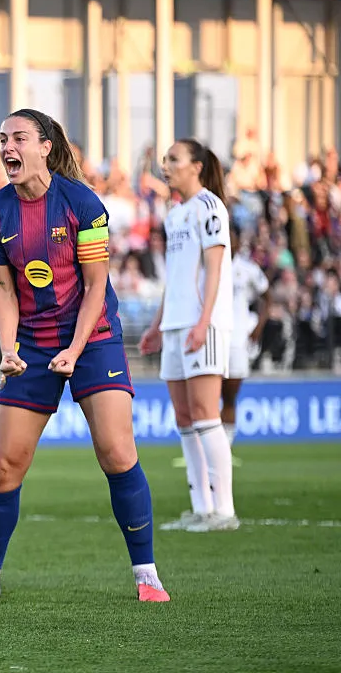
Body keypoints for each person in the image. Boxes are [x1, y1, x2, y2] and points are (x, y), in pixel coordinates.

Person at [0, 108, 170, 604]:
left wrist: (75, 349)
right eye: (3, 138)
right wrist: (8, 349)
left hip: (92, 338)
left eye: (19, 138)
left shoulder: (83, 204)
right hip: (30, 344)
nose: (7, 147)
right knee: (5, 465)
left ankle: (147, 573)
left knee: (117, 452)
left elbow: (96, 286)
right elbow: (3, 290)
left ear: (45, 146)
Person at [139, 138, 238, 533]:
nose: (166, 165)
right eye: (165, 159)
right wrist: (156, 325)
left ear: (196, 166)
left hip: (203, 324)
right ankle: (201, 507)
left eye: (174, 159)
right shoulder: (176, 213)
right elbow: (176, 278)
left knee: (205, 414)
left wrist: (203, 322)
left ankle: (224, 511)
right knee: (184, 418)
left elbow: (215, 270)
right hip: (174, 324)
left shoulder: (210, 208)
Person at [223, 224, 270, 450]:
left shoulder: (247, 268)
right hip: (212, 337)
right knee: (207, 399)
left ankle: (226, 447)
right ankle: (210, 451)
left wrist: (258, 327)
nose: (228, 243)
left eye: (232, 238)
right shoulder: (208, 267)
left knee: (230, 395)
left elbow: (266, 297)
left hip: (237, 339)